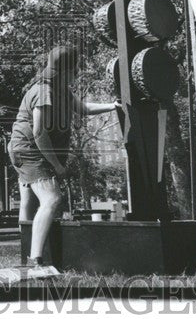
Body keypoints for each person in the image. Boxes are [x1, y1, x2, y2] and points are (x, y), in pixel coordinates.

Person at [8, 45, 121, 272]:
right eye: (74, 69)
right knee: (51, 199)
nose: (77, 73)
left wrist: (113, 106)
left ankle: (28, 254)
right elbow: (39, 132)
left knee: (30, 202)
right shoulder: (44, 91)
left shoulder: (62, 90)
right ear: (65, 71)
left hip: (27, 150)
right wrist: (57, 166)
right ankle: (36, 260)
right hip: (30, 150)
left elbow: (83, 108)